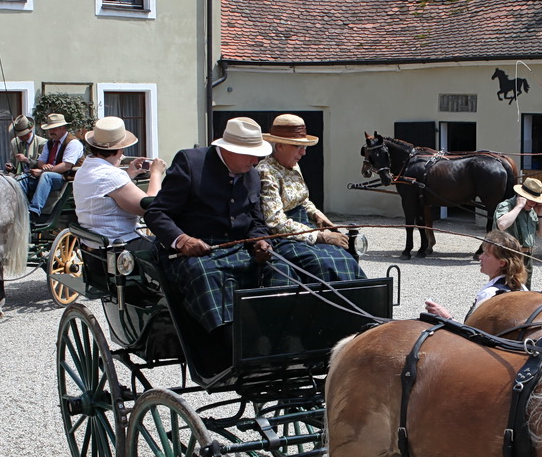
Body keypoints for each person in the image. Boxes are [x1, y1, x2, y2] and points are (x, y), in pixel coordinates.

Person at [143, 117, 287, 345]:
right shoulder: (190, 163)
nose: (255, 160)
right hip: (190, 251)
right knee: (208, 275)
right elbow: (156, 213)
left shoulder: (252, 174)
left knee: (282, 268)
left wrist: (260, 242)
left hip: (236, 247)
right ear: (228, 149)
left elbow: (256, 221)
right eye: (250, 154)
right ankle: (229, 347)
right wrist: (183, 240)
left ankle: (280, 336)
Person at [258, 114, 364, 284]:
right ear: (279, 146)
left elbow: (303, 200)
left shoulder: (293, 165)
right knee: (324, 264)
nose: (303, 152)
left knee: (345, 257)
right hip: (285, 238)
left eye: (304, 146)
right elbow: (275, 223)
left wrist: (317, 215)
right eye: (297, 146)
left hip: (306, 229)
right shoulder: (266, 171)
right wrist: (321, 236)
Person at [71, 117, 163, 247]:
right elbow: (149, 208)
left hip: (92, 243)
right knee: (173, 249)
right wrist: (156, 173)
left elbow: (105, 188)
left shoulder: (84, 169)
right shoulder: (112, 175)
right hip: (119, 243)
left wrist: (128, 175)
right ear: (120, 150)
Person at [425, 230, 530, 321]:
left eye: (486, 254)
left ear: (502, 263)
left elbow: (472, 336)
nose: (480, 257)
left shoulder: (489, 294)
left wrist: (445, 316)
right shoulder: (523, 289)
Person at [21, 113, 83, 218]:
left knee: (46, 176)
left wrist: (43, 171)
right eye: (50, 129)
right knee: (22, 178)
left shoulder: (73, 143)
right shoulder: (50, 143)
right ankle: (19, 207)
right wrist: (44, 166)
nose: (51, 132)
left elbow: (66, 166)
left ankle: (34, 211)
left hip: (65, 178)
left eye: (54, 129)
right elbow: (40, 162)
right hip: (50, 175)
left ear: (63, 128)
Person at [493, 177, 542, 251]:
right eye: (530, 199)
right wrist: (518, 206)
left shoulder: (533, 211)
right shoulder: (506, 205)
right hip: (507, 256)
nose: (533, 204)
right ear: (521, 195)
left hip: (526, 257)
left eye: (535, 200)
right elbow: (501, 225)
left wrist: (540, 214)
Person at [7, 116, 44, 180]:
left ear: (29, 131)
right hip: (15, 176)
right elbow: (12, 160)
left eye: (22, 134)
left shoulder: (42, 143)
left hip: (32, 177)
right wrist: (10, 165)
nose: (20, 137)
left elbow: (41, 164)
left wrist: (25, 160)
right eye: (18, 135)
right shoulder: (14, 142)